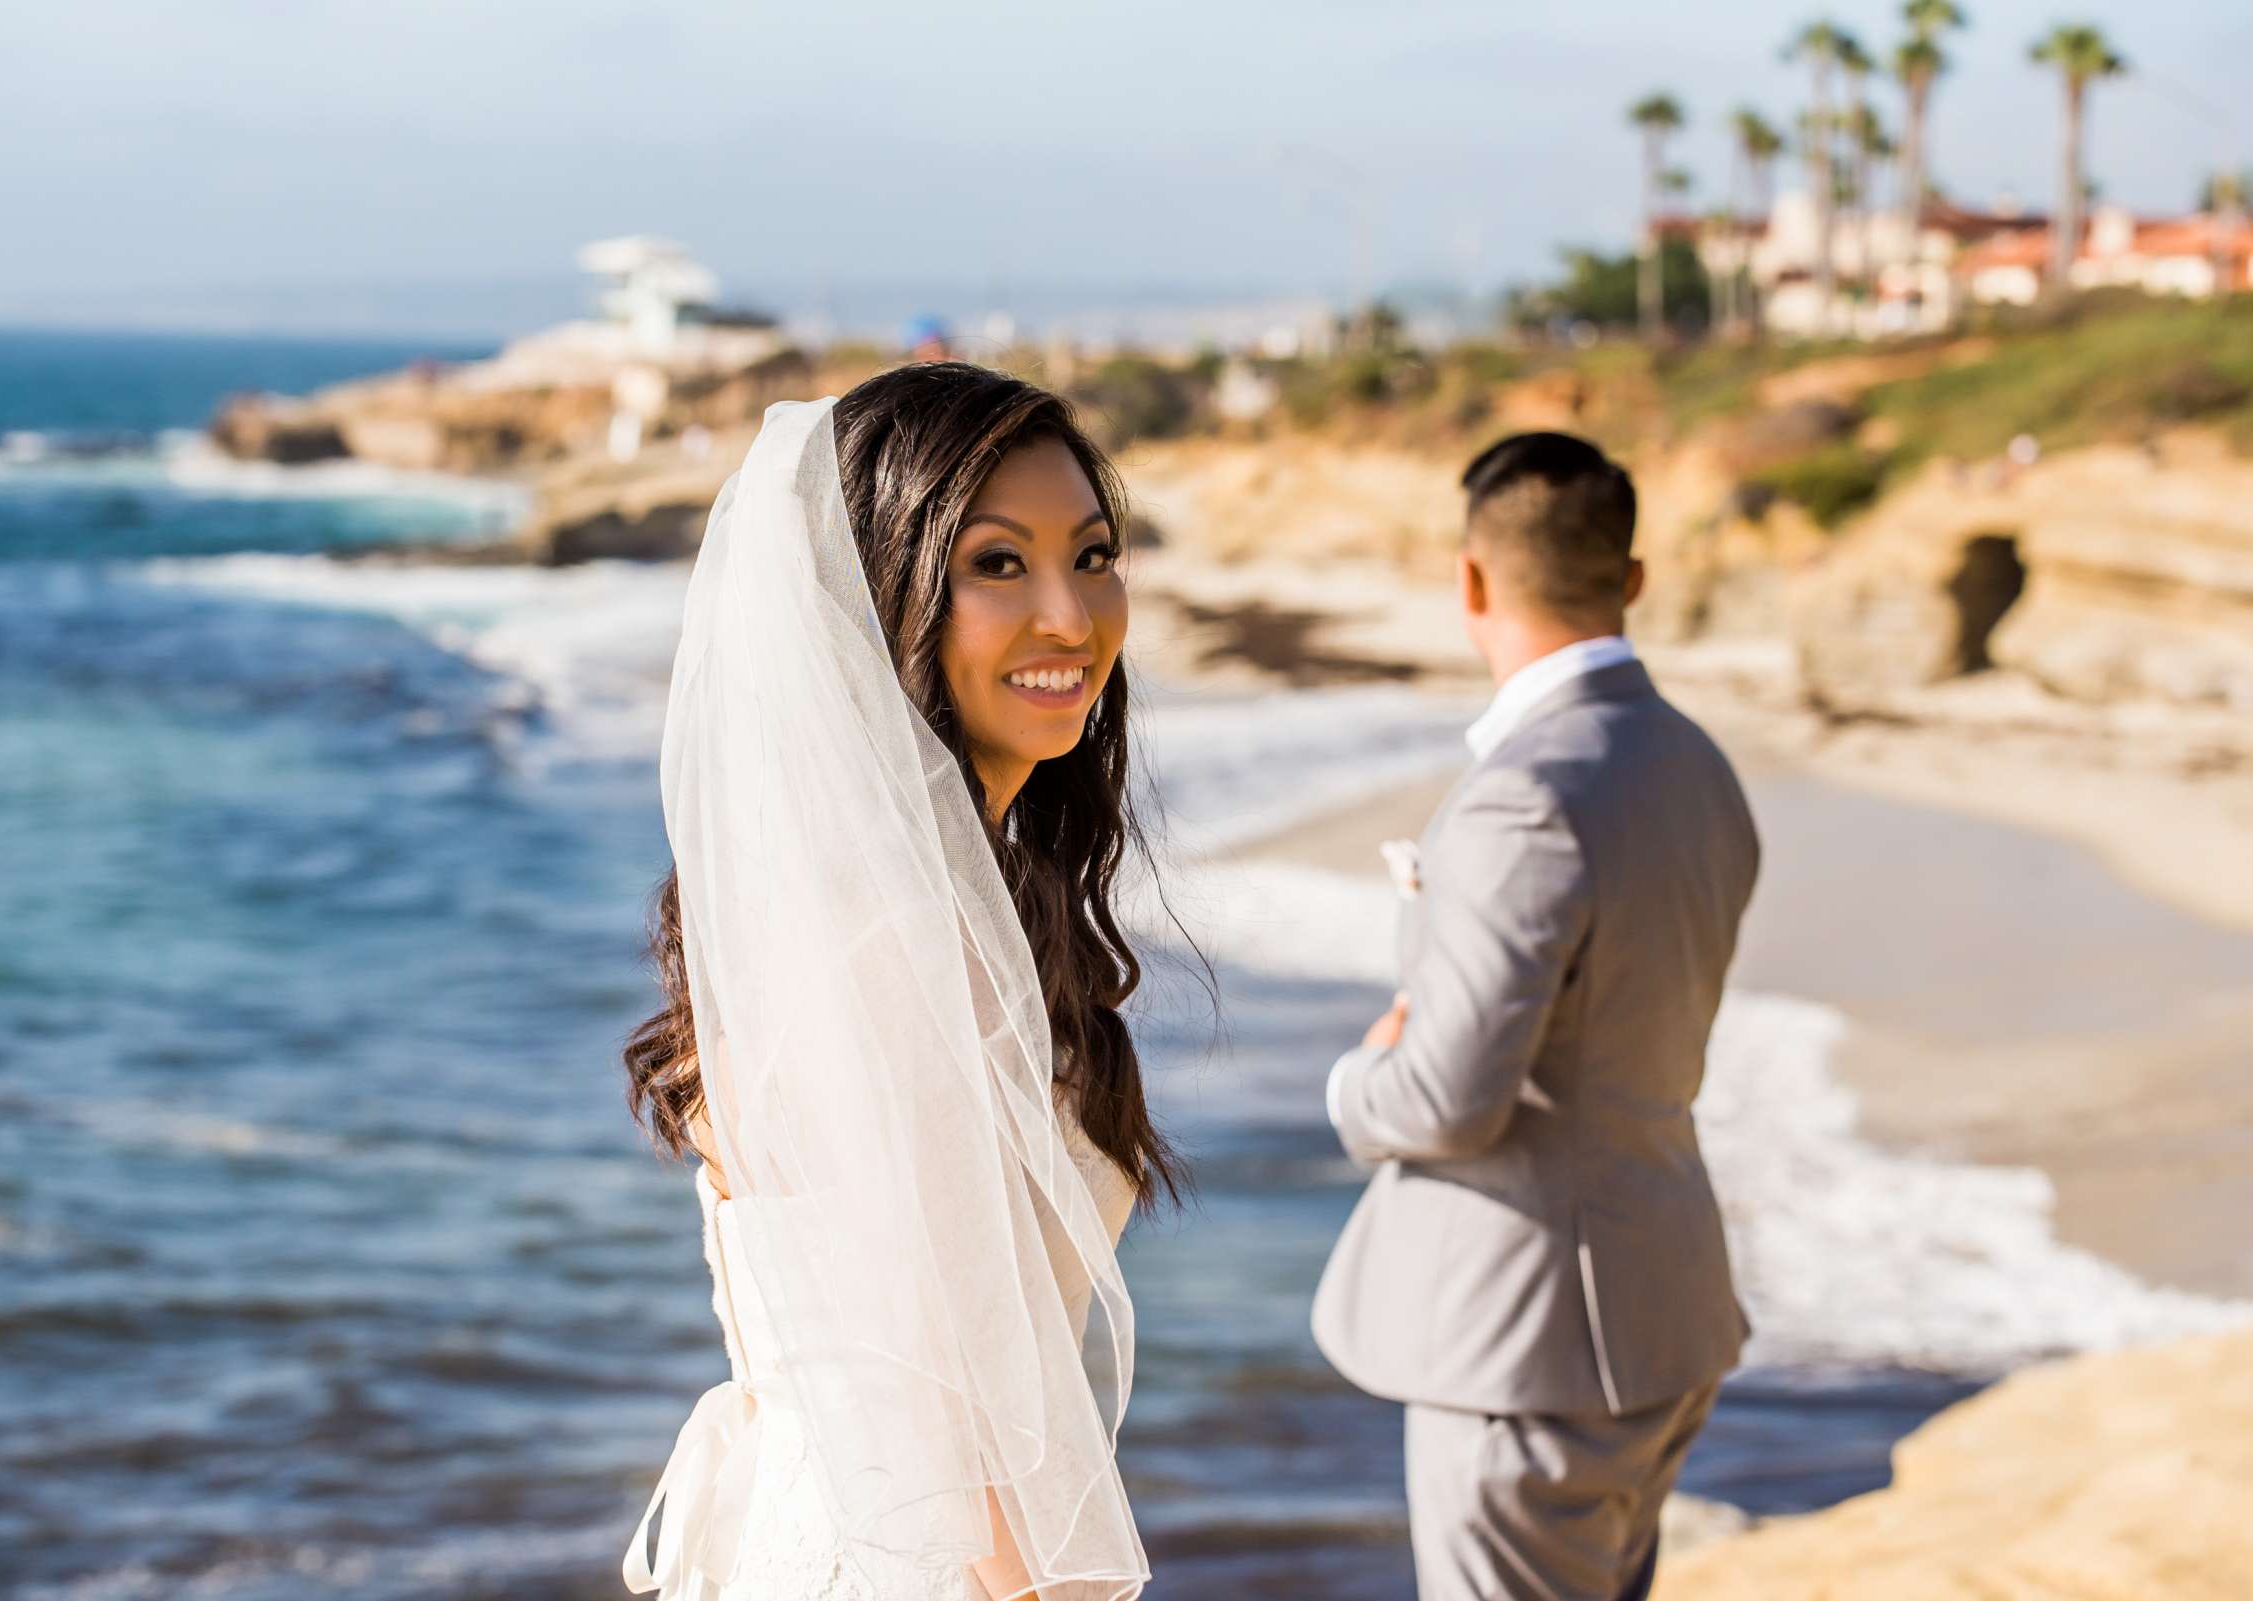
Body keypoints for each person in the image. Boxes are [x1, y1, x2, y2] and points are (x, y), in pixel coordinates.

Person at [620, 362, 1179, 1601]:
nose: (1070, 617)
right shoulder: (890, 947)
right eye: (997, 564)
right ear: (876, 600)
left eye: (1091, 556)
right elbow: (939, 1426)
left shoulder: (914, 906)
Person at [1313, 432, 1760, 1601]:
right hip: (1662, 1308)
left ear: (1469, 581)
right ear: (1634, 577)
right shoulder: (1697, 764)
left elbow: (1446, 1101)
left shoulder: (1523, 794)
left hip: (1526, 1342)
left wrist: (1353, 1083)